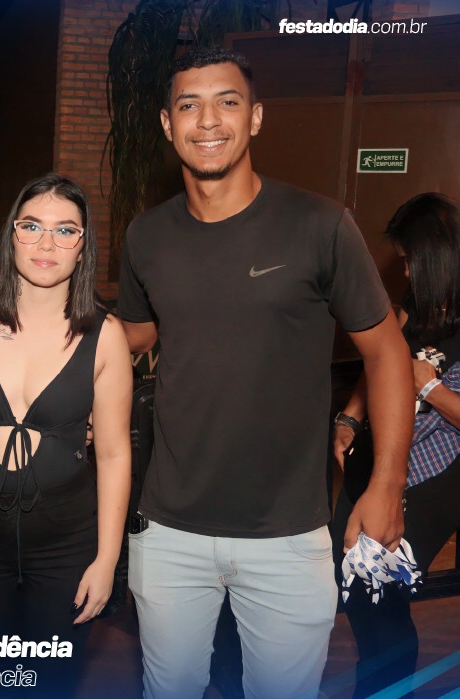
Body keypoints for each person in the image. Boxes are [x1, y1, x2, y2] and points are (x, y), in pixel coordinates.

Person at [115, 46, 413, 699]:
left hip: (288, 533)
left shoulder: (320, 225)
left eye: (227, 102)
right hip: (169, 529)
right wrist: (40, 313)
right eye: (189, 105)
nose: (207, 120)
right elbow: (133, 334)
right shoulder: (147, 236)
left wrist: (387, 483)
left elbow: (388, 353)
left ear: (254, 117)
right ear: (167, 123)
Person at [0, 173, 132, 696]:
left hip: (66, 543)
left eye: (65, 230)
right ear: (12, 234)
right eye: (32, 226)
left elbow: (114, 454)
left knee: (52, 683)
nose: (47, 244)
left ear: (83, 245)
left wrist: (107, 561)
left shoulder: (106, 336)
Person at [331, 192, 460, 698]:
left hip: (432, 472)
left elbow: (423, 385)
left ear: (435, 258)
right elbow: (379, 366)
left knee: (379, 593)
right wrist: (350, 416)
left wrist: (431, 388)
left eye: (409, 261)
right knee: (354, 584)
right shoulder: (413, 310)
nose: (405, 272)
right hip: (374, 463)